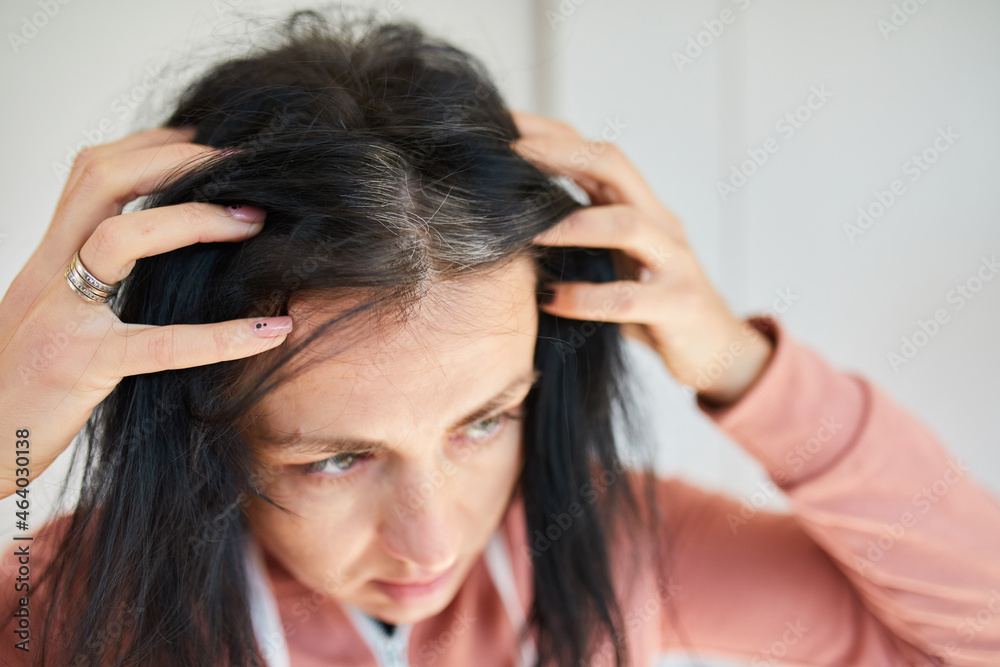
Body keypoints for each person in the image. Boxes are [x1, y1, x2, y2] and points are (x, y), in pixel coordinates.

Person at [0, 8, 998, 667]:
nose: (430, 540)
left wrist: (745, 370)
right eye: (336, 458)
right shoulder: (78, 609)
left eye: (486, 421)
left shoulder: (608, 555)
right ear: (201, 427)